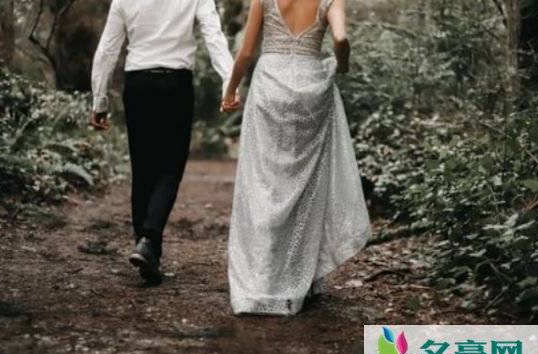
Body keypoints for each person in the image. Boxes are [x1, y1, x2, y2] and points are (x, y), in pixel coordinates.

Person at [221, 0, 372, 315]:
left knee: (264, 183)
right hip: (311, 89)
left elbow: (246, 52)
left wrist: (231, 90)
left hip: (270, 86)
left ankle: (259, 281)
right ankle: (299, 278)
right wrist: (341, 65)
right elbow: (342, 39)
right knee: (305, 185)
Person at [90, 0, 238, 285]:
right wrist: (228, 84)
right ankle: (148, 240)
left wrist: (100, 100)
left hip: (138, 85)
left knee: (143, 169)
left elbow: (108, 48)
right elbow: (214, 36)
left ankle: (147, 247)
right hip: (175, 85)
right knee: (170, 169)